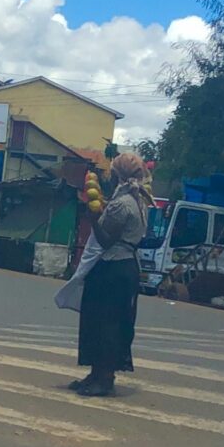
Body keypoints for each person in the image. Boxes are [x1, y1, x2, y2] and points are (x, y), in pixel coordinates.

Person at [70, 153, 153, 397]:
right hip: (125, 267)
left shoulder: (122, 204)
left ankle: (104, 379)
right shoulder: (138, 200)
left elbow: (106, 240)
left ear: (118, 174)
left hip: (113, 268)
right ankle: (96, 374)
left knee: (105, 324)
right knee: (106, 321)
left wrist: (93, 218)